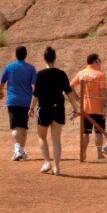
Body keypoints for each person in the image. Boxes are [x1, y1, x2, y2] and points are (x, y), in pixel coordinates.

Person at [33, 46, 72, 175]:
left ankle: (47, 162)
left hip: (44, 108)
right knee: (56, 139)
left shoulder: (40, 74)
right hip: (58, 108)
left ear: (44, 58)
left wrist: (31, 108)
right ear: (55, 58)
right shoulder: (62, 74)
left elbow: (36, 94)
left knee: (42, 136)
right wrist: (76, 108)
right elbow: (69, 93)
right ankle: (56, 167)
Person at [0, 45, 37, 162]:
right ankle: (21, 150)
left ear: (16, 54)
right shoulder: (31, 68)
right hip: (26, 101)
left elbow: (1, 83)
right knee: (23, 127)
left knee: (15, 126)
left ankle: (17, 150)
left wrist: (0, 93)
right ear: (25, 55)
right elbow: (35, 86)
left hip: (13, 101)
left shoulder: (9, 67)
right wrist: (35, 101)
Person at [72, 52, 107, 162]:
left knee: (86, 133)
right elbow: (103, 93)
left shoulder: (81, 73)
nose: (100, 62)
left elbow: (71, 86)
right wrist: (105, 107)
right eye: (99, 60)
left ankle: (83, 153)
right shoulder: (100, 74)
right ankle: (99, 154)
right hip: (98, 109)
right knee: (99, 132)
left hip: (85, 109)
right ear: (95, 61)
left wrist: (77, 98)